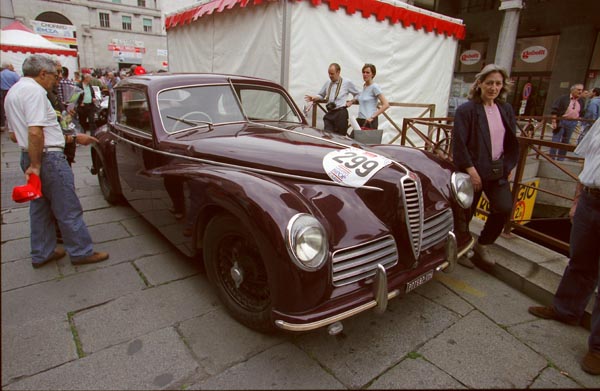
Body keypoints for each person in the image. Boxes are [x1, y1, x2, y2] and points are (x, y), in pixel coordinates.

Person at [3, 54, 109, 268]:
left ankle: (42, 251)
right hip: (47, 157)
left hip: (30, 154)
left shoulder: (14, 92)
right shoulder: (34, 92)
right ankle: (80, 251)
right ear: (43, 73)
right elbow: (35, 132)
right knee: (67, 206)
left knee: (40, 207)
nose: (57, 80)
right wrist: (36, 164)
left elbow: (15, 135)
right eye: (54, 75)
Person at [528, 118, 600, 375]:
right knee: (580, 260)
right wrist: (576, 199)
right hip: (590, 200)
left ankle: (598, 349)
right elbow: (588, 159)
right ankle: (566, 310)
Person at [451, 64, 520, 268]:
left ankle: (483, 244)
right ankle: (461, 248)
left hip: (497, 170)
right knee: (466, 212)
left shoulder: (505, 109)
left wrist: (508, 166)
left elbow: (511, 141)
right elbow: (459, 143)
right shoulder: (467, 110)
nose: (494, 87)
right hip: (473, 169)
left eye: (498, 83)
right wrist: (471, 171)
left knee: (504, 208)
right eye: (489, 83)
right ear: (479, 83)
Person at [304, 63, 360, 135]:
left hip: (340, 113)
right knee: (327, 135)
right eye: (329, 74)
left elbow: (358, 94)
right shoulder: (328, 83)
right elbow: (321, 95)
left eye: (332, 74)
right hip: (330, 112)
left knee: (341, 137)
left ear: (338, 72)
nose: (330, 76)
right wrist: (315, 97)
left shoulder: (347, 82)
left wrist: (352, 101)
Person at [549, 83, 585, 160]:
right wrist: (554, 121)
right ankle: (551, 157)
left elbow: (581, 112)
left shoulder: (581, 101)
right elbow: (554, 110)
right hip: (561, 121)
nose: (580, 92)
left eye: (581, 90)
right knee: (556, 139)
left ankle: (561, 158)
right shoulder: (563, 98)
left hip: (572, 122)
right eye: (578, 90)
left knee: (566, 140)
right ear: (572, 90)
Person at [349, 63, 390, 130]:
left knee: (367, 140)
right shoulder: (364, 86)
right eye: (363, 72)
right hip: (360, 119)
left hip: (369, 121)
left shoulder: (375, 87)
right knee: (352, 139)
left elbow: (386, 104)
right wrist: (352, 101)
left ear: (372, 74)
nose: (365, 74)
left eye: (367, 72)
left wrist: (373, 117)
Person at [1, 62, 21, 130]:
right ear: (8, 66)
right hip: (12, 91)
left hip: (2, 91)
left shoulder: (1, 73)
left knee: (2, 107)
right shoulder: (13, 74)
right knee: (12, 107)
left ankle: (3, 123)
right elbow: (19, 81)